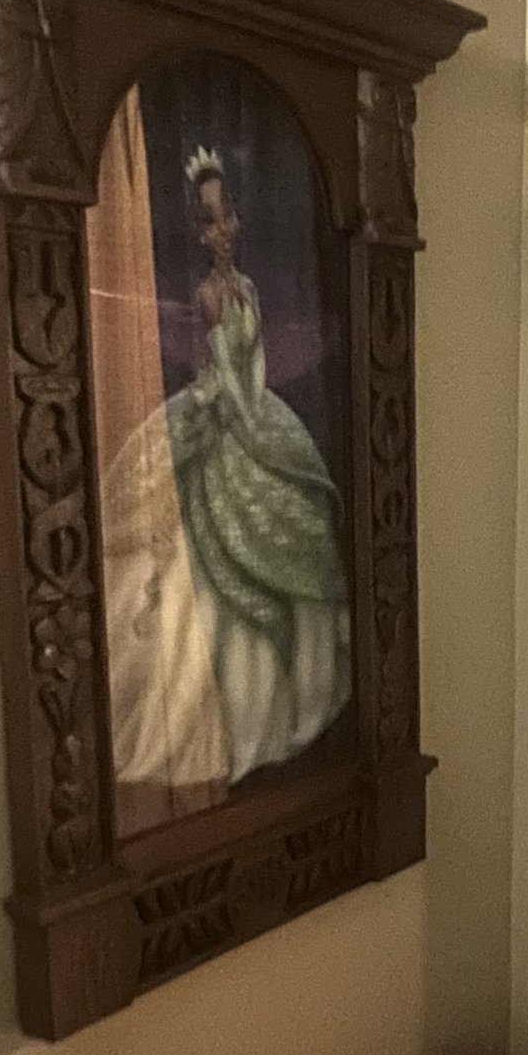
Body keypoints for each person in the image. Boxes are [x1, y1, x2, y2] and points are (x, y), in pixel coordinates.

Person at [103, 146, 351, 791]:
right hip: (218, 409)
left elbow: (258, 362)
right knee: (199, 546)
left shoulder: (248, 287)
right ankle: (216, 716)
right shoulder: (209, 294)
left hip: (251, 406)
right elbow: (224, 374)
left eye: (228, 216)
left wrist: (262, 419)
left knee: (295, 526)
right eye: (210, 222)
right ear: (198, 232)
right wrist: (243, 420)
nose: (222, 231)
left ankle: (295, 708)